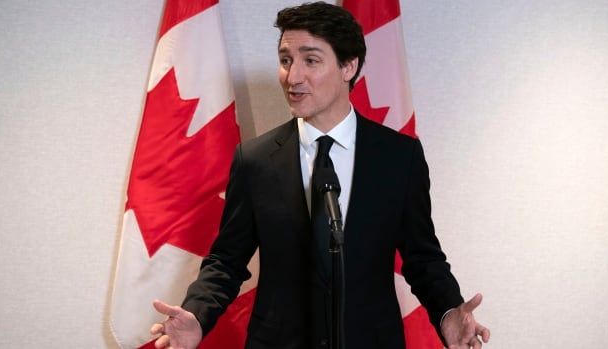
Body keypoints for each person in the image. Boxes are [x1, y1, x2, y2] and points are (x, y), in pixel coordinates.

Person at [150, 2, 490, 349]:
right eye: (285, 60)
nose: (292, 76)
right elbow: (226, 261)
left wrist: (448, 313)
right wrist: (197, 315)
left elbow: (422, 257)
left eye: (310, 60)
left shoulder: (399, 157)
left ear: (348, 66)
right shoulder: (254, 160)